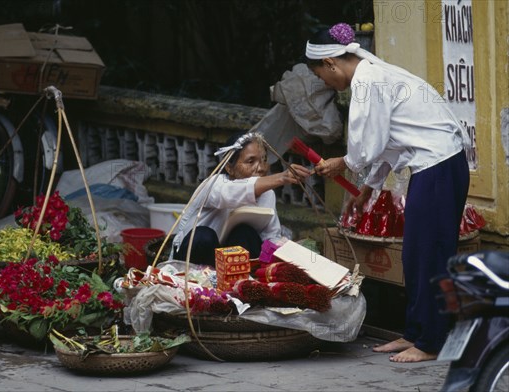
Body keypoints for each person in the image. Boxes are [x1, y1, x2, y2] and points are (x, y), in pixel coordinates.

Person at [306, 23, 470, 363]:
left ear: (332, 64)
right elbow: (388, 144)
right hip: (431, 167)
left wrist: (343, 163)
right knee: (413, 256)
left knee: (431, 256)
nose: (326, 84)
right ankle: (414, 332)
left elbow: (367, 147)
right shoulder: (371, 75)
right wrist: (369, 187)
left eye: (322, 77)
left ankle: (432, 341)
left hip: (440, 166)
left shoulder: (368, 80)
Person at [171, 132, 312, 267]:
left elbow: (270, 236)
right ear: (229, 168)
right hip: (197, 257)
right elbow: (231, 193)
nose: (261, 168)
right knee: (203, 235)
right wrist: (281, 177)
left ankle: (238, 284)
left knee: (245, 233)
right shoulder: (214, 184)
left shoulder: (267, 193)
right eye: (250, 161)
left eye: (263, 160)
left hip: (231, 264)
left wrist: (293, 254)